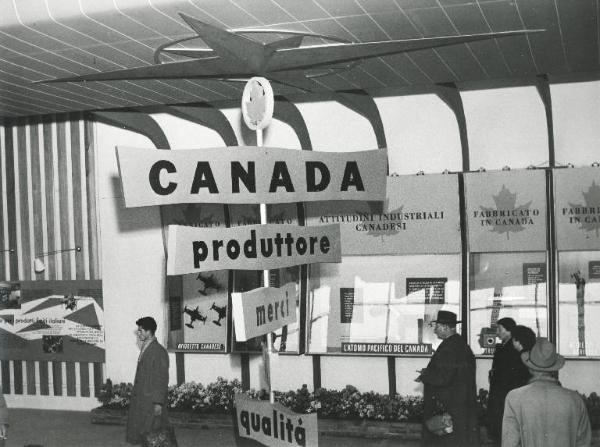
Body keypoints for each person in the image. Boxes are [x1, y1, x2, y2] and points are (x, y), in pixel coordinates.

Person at [502, 338, 591, 447]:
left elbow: (510, 443)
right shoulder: (575, 399)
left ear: (530, 368)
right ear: (555, 369)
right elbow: (583, 443)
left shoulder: (514, 398)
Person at [417, 310, 479, 446]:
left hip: (447, 410)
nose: (435, 331)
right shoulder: (460, 345)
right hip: (460, 407)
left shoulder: (449, 348)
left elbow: (443, 378)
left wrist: (426, 375)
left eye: (437, 327)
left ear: (445, 327)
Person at [126, 316, 170, 445]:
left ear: (149, 331)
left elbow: (162, 379)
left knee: (153, 435)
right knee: (145, 435)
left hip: (151, 401)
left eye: (140, 330)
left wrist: (158, 403)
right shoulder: (146, 347)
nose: (138, 333)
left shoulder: (159, 351)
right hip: (142, 400)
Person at [486, 318, 530, 443]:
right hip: (500, 394)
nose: (497, 332)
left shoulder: (512, 348)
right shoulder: (503, 347)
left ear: (509, 331)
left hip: (505, 394)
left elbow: (509, 374)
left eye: (500, 329)